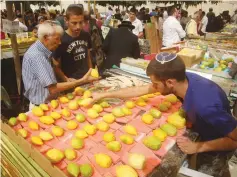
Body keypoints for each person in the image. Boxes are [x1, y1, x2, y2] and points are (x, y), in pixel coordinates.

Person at [91, 52, 237, 177]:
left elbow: (235, 139)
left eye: (155, 84)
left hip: (217, 145)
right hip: (205, 127)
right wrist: (104, 95)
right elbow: (141, 90)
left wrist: (198, 147)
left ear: (169, 82)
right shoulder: (183, 79)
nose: (152, 87)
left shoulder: (205, 106)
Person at [22, 21, 98, 110]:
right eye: (57, 39)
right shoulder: (37, 56)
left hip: (49, 103)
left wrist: (67, 80)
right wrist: (80, 81)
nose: (59, 43)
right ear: (46, 38)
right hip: (42, 106)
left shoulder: (41, 50)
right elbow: (53, 89)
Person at [53, 5, 93, 81]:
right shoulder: (61, 39)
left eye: (80, 22)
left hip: (86, 79)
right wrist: (66, 79)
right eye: (74, 23)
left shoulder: (86, 35)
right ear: (66, 20)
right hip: (71, 82)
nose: (78, 26)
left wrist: (90, 72)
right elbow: (56, 65)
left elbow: (88, 57)